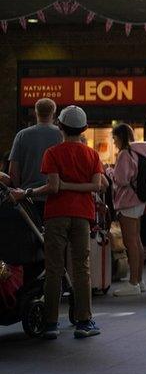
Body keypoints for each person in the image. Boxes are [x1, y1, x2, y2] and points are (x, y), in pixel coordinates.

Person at [11, 105, 105, 340]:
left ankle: (51, 323)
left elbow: (52, 187)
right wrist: (76, 188)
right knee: (81, 268)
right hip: (83, 215)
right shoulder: (92, 155)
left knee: (53, 268)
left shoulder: (52, 153)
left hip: (55, 215)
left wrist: (29, 192)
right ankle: (84, 321)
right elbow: (96, 185)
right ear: (84, 128)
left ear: (61, 126)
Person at [107, 123, 146, 297]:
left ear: (121, 137)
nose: (114, 142)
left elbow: (121, 180)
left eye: (115, 138)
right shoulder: (138, 152)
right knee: (136, 241)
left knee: (130, 241)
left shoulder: (125, 153)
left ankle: (133, 282)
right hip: (138, 200)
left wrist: (110, 171)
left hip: (128, 202)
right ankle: (139, 280)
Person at [8, 98, 62, 217]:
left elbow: (13, 170)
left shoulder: (22, 135)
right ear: (54, 112)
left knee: (30, 234)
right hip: (56, 198)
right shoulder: (61, 135)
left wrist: (19, 191)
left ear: (35, 113)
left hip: (28, 198)